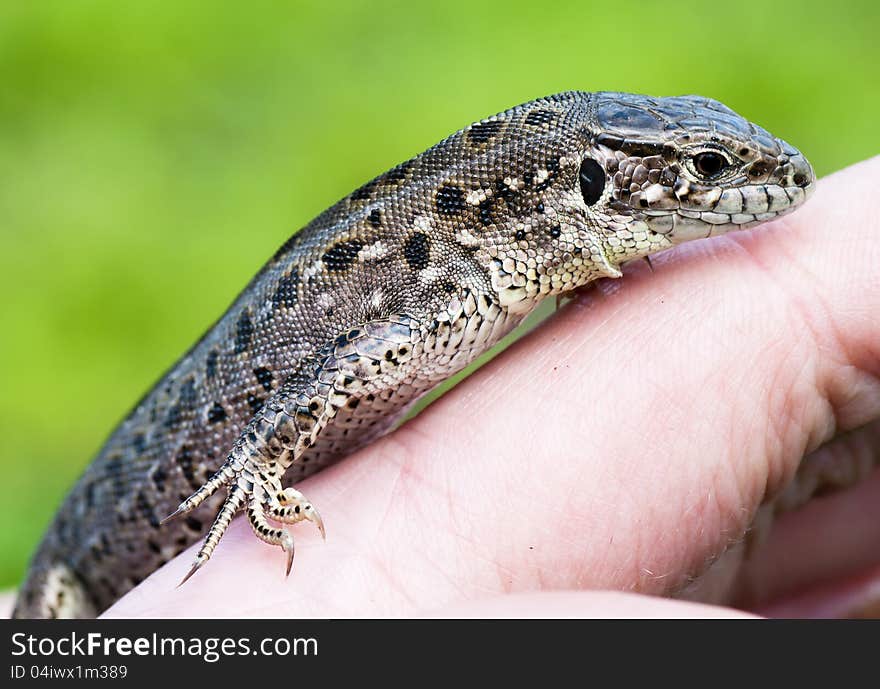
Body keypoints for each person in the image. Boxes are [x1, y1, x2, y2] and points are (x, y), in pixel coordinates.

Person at [42, 157, 880, 618]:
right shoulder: (443, 291)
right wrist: (259, 468)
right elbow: (337, 373)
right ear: (592, 184)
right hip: (75, 590)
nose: (765, 184)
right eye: (706, 170)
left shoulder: (501, 253)